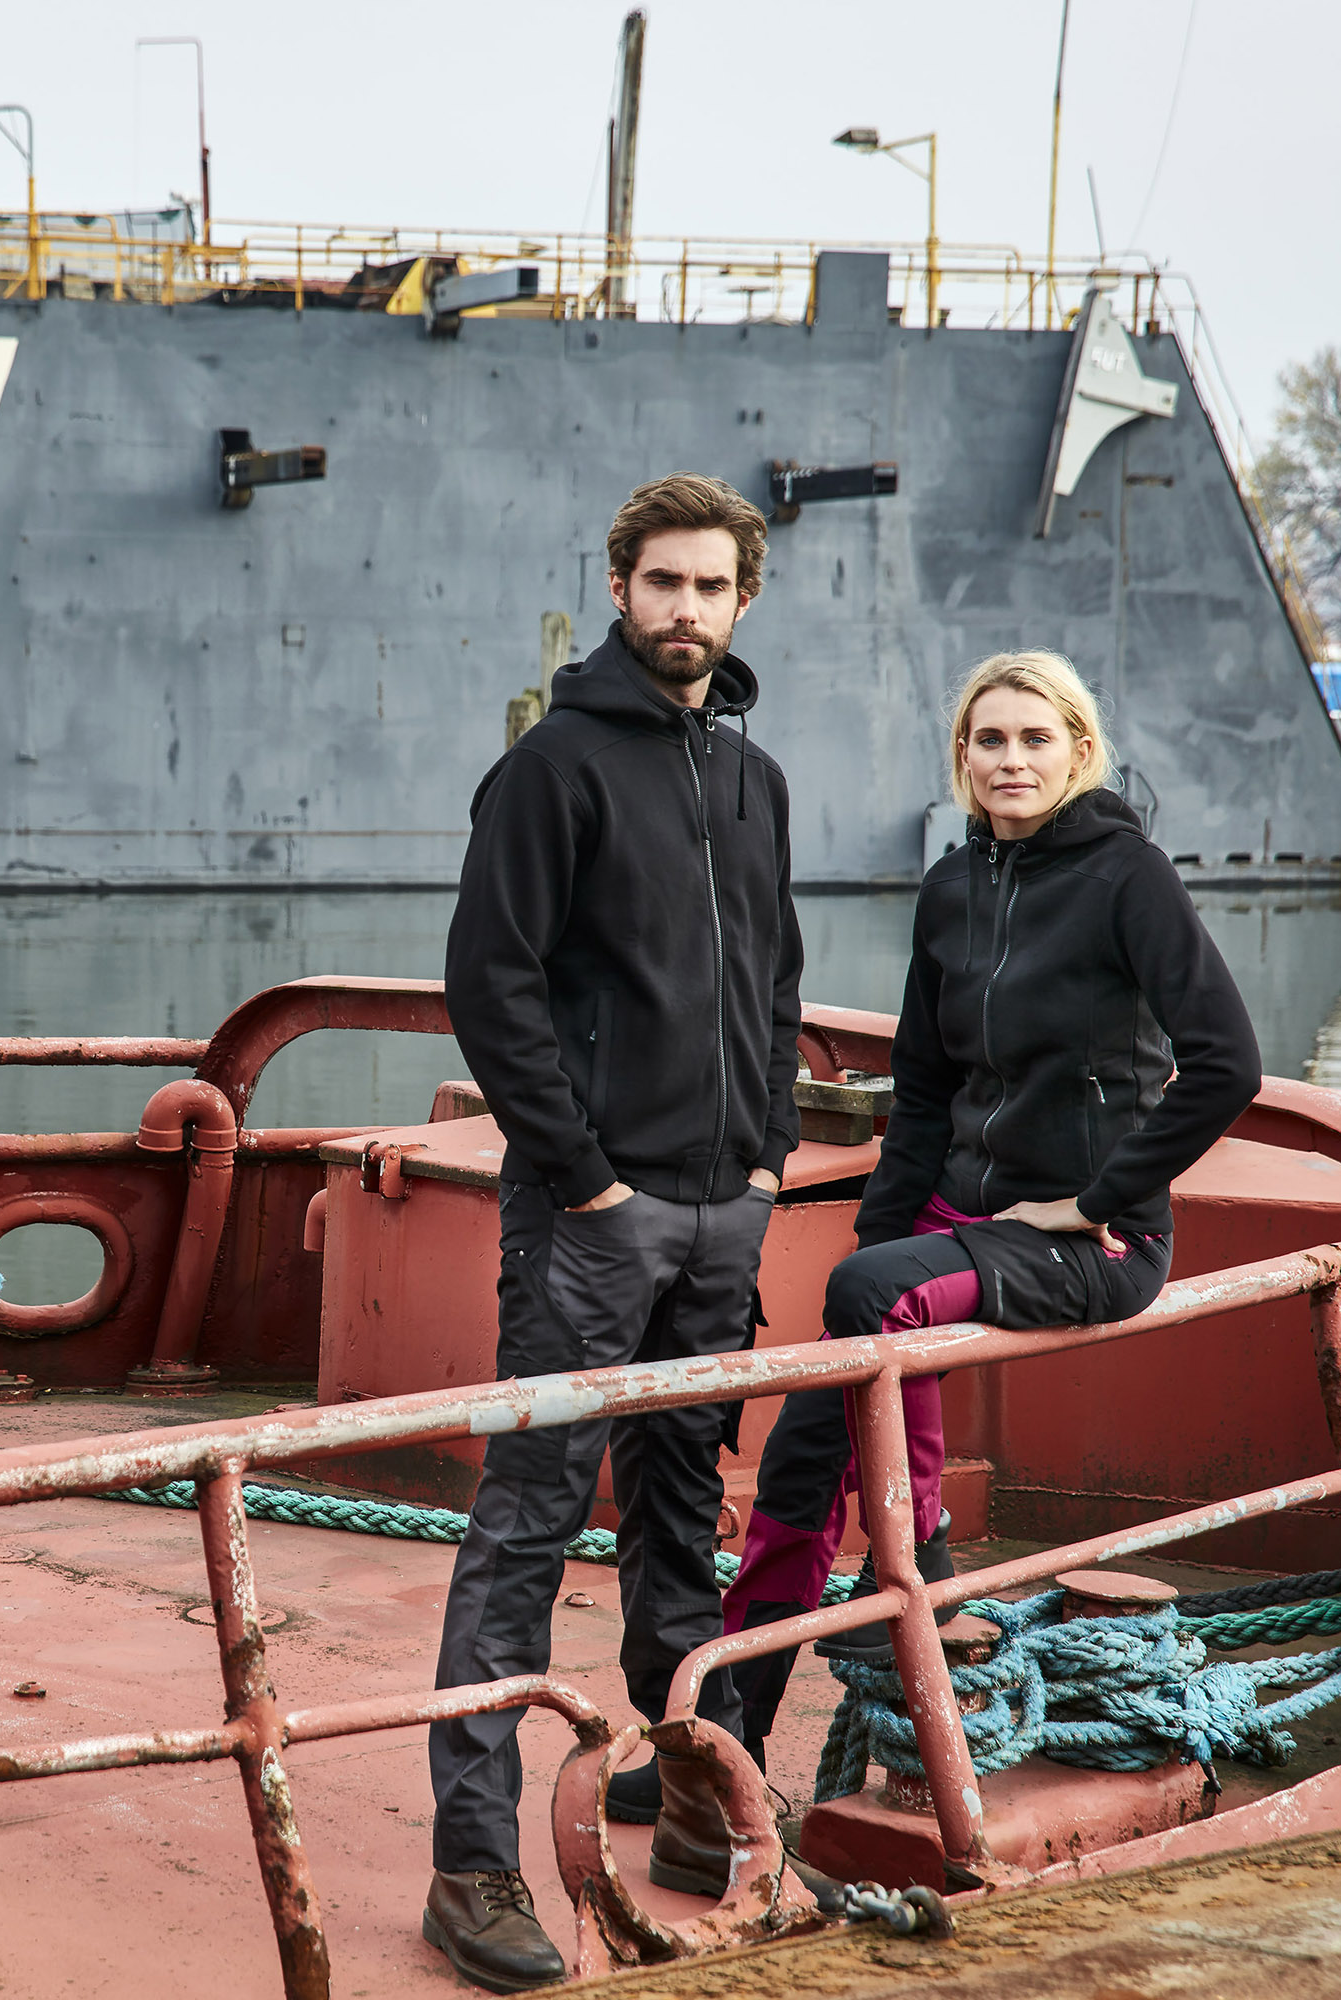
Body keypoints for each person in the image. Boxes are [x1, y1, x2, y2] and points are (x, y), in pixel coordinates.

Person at [720, 650, 1261, 1778]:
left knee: (867, 1310)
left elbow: (1227, 1064)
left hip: (1093, 1236)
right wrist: (882, 1238)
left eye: (1035, 738)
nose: (1011, 760)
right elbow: (923, 1090)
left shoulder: (1129, 877)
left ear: (1079, 751)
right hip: (951, 1217)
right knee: (811, 1431)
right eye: (989, 740)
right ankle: (728, 1732)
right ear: (962, 757)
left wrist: (1101, 1196)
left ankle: (912, 1565)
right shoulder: (952, 887)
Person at [423, 473, 804, 1992]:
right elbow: (490, 981)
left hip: (720, 1216)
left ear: (743, 601)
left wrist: (764, 1161)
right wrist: (583, 1177)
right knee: (526, 1523)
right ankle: (470, 1867)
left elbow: (774, 980)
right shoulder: (553, 768)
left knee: (680, 1513)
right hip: (594, 1222)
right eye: (662, 583)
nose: (685, 610)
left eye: (711, 587)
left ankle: (693, 1810)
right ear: (620, 587)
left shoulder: (753, 778)